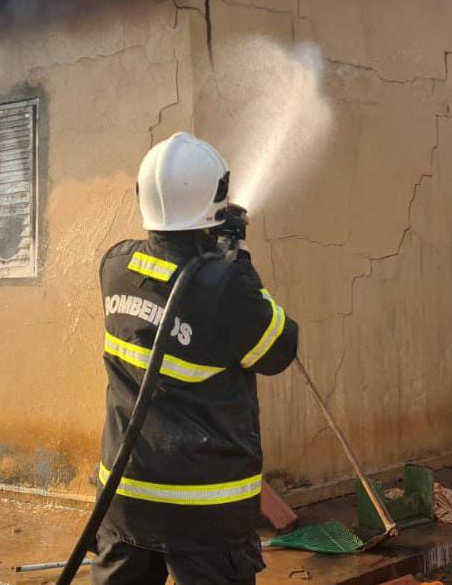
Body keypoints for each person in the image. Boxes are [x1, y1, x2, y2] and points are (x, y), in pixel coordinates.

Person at [93, 132, 299, 585]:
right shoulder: (229, 288)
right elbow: (279, 349)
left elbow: (173, 286)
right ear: (216, 201)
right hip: (203, 508)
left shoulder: (115, 265)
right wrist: (237, 259)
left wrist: (216, 256)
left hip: (125, 494)